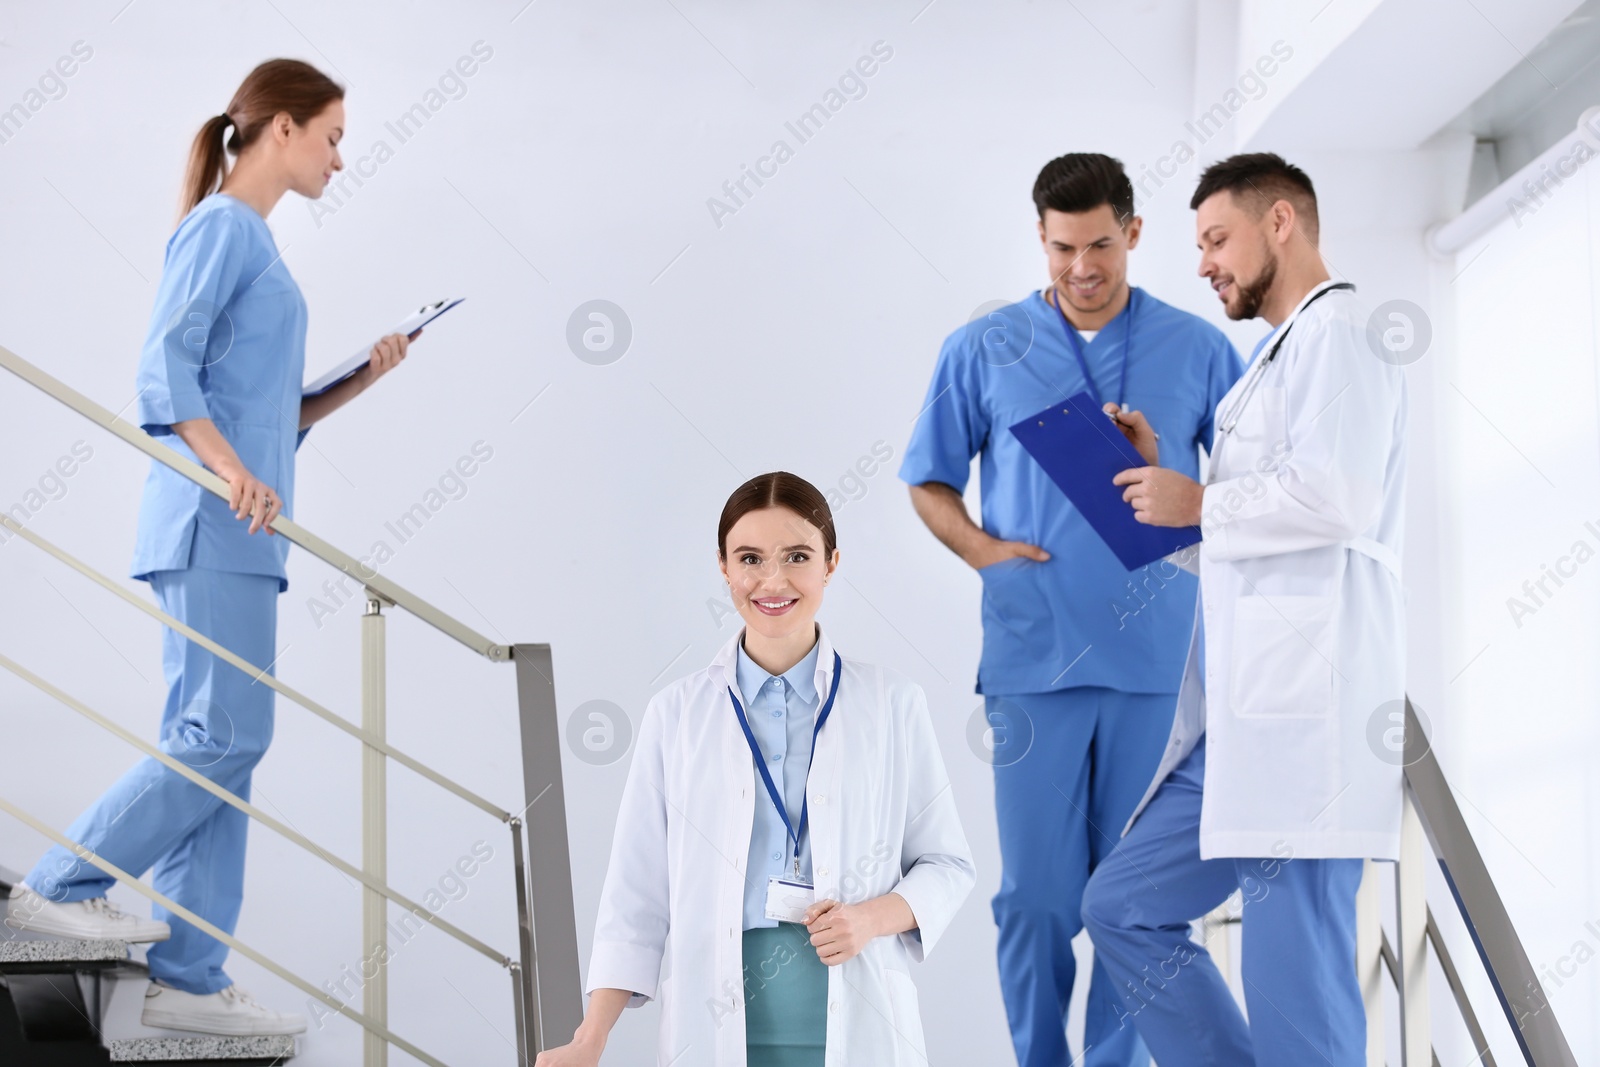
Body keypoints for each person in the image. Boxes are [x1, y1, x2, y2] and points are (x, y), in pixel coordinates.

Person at [6, 59, 417, 1036]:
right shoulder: (222, 228)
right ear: (280, 128)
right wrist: (229, 470)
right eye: (331, 136)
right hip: (209, 518)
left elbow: (265, 409)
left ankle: (188, 977)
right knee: (219, 736)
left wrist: (360, 378)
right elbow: (165, 367)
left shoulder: (254, 245)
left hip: (241, 524)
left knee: (229, 749)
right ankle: (58, 883)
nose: (339, 158)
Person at [898, 153, 1241, 1066]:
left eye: (1099, 245)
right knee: (1039, 899)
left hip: (1159, 666)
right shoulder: (983, 346)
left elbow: (1249, 489)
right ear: (1039, 240)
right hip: (1034, 656)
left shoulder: (1201, 348)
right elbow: (928, 480)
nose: (1081, 268)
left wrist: (1172, 468)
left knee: (1132, 898)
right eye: (1061, 248)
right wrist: (984, 552)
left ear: (1132, 233)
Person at [1080, 152, 1407, 1065]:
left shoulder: (1341, 332)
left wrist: (1203, 502)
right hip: (1244, 724)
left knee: (1295, 991)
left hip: (1307, 723)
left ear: (1280, 224)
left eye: (1216, 238)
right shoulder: (1274, 359)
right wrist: (1169, 495)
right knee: (1121, 906)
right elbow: (1249, 530)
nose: (1203, 263)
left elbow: (1338, 496)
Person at [536, 472, 975, 1067]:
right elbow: (636, 895)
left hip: (858, 1020)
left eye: (797, 556)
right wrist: (590, 1040)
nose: (773, 581)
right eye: (750, 559)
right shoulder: (677, 714)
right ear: (723, 567)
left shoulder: (891, 702)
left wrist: (869, 920)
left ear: (831, 563)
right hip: (715, 1031)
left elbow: (947, 865)